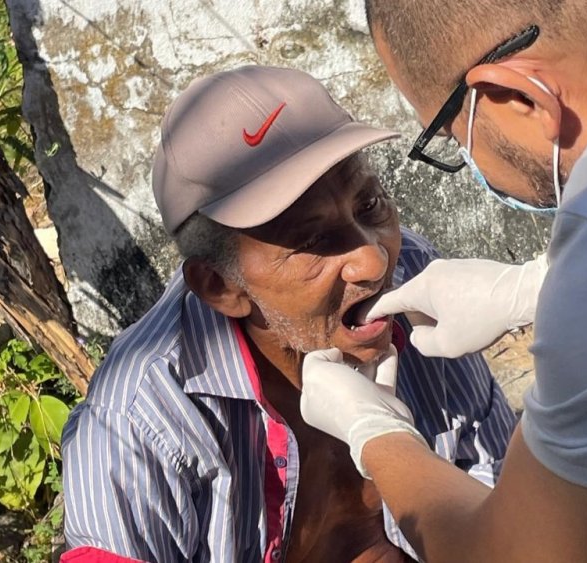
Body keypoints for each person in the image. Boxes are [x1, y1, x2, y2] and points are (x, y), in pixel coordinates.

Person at [299, 0, 587, 561]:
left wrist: (376, 433)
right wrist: (537, 287)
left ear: (517, 97)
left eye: (454, 140)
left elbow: (514, 553)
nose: (370, 265)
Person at [59, 65, 517, 563]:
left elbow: (510, 498)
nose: (373, 260)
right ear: (220, 286)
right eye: (314, 241)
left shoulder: (417, 276)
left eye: (369, 205)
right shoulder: (141, 418)